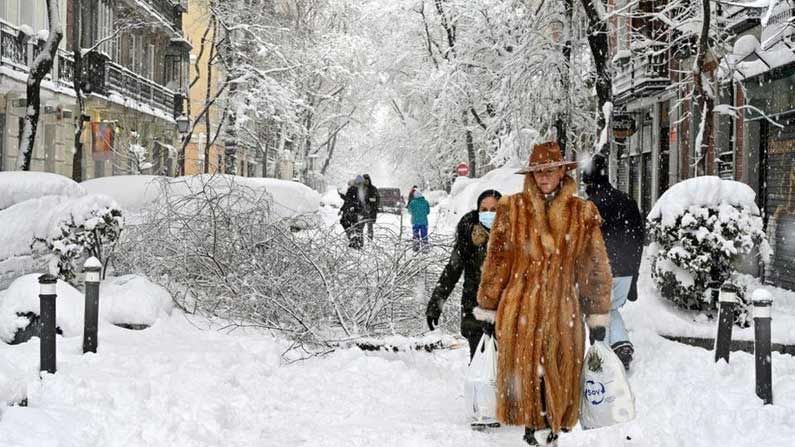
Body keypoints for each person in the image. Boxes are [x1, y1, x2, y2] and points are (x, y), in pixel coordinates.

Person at [474, 142, 612, 446]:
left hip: (563, 314)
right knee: (528, 391)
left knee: (558, 390)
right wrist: (488, 306)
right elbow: (497, 262)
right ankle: (534, 436)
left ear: (563, 170)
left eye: (550, 170)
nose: (544, 177)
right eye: (537, 171)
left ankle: (549, 435)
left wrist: (597, 315)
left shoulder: (582, 213)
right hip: (518, 311)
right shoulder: (512, 209)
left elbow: (594, 267)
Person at [582, 154, 644, 371]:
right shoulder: (627, 200)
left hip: (600, 270)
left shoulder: (590, 206)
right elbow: (638, 238)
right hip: (625, 269)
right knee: (610, 307)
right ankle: (620, 344)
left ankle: (604, 353)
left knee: (598, 310)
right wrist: (634, 274)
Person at [426, 189, 502, 358]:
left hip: (506, 313)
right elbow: (452, 270)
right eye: (484, 210)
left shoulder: (513, 235)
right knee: (480, 366)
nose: (489, 214)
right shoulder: (468, 235)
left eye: (494, 209)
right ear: (478, 211)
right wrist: (435, 304)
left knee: (506, 372)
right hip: (474, 310)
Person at [343, 176, 365, 249]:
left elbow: (355, 200)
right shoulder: (355, 189)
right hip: (355, 211)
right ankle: (356, 242)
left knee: (357, 227)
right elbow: (350, 199)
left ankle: (357, 242)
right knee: (356, 227)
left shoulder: (358, 189)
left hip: (357, 211)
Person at [359, 174, 380, 241]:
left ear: (369, 180)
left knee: (370, 228)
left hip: (370, 211)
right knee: (360, 227)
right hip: (361, 211)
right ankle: (360, 241)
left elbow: (377, 199)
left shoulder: (373, 189)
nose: (366, 182)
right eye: (364, 180)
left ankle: (370, 242)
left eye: (367, 180)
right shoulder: (360, 189)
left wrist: (370, 200)